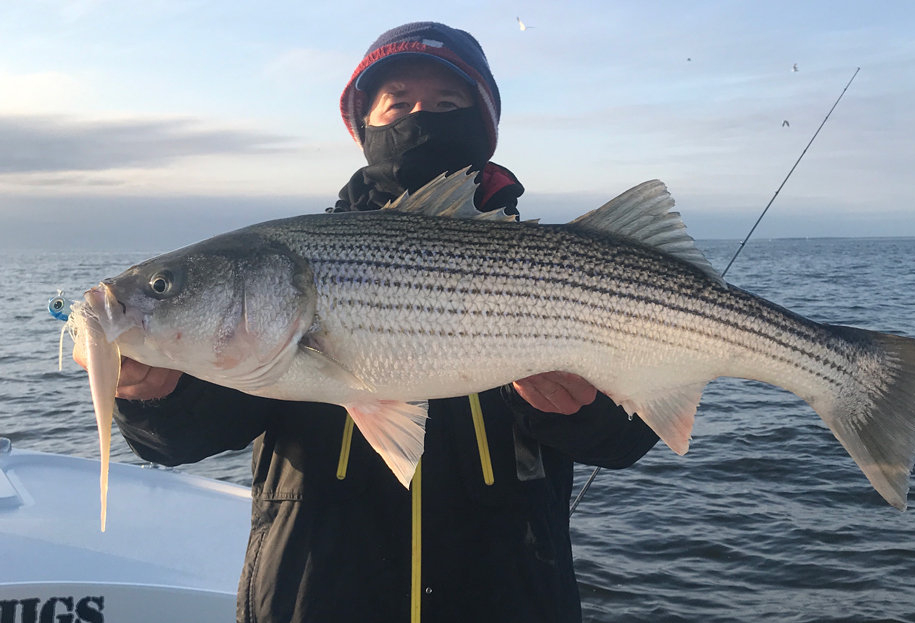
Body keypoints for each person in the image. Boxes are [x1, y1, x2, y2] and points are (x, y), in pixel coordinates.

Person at [81, 22, 660, 623]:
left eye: (446, 103)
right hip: (315, 599)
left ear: (482, 124)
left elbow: (631, 436)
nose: (419, 118)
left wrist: (581, 412)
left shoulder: (559, 265)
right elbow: (184, 440)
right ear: (364, 125)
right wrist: (153, 398)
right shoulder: (277, 290)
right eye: (398, 103)